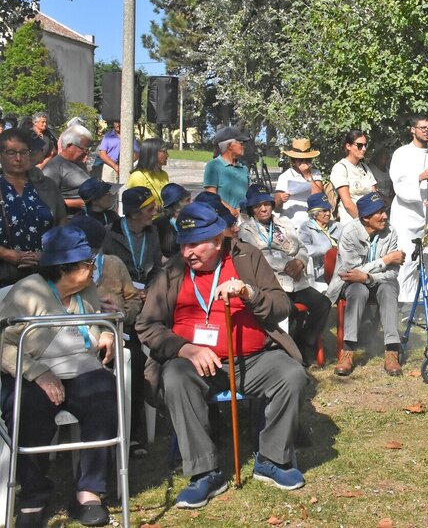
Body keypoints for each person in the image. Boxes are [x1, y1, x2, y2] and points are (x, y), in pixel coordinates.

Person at [136, 202, 309, 508]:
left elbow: (282, 306)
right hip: (193, 363)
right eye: (183, 244)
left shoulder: (247, 257)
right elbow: (147, 325)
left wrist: (249, 293)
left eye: (194, 245)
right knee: (175, 377)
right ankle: (205, 473)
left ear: (217, 241)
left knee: (291, 375)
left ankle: (271, 460)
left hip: (253, 359)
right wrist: (185, 349)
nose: (187, 252)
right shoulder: (173, 270)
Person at [0, 226, 118, 527]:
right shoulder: (27, 292)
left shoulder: (87, 289)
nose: (93, 267)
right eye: (87, 263)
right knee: (25, 408)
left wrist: (106, 332)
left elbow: (98, 321)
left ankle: (89, 491)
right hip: (34, 371)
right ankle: (32, 497)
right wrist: (37, 372)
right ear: (64, 267)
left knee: (106, 395)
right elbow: (4, 345)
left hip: (82, 370)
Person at [70, 214, 149, 457]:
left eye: (94, 252)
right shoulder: (65, 269)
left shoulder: (114, 264)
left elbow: (133, 298)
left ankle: (132, 432)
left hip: (117, 332)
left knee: (135, 360)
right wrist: (94, 309)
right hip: (80, 337)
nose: (91, 258)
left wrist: (122, 312)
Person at [237, 186, 330, 367]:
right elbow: (259, 256)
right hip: (273, 282)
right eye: (258, 206)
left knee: (323, 304)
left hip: (296, 280)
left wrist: (300, 262)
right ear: (251, 209)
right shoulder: (246, 230)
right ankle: (290, 353)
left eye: (266, 204)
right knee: (289, 310)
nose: (263, 209)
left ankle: (305, 343)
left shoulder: (284, 223)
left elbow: (301, 247)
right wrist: (287, 265)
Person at [330, 193, 405, 377]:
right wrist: (385, 260)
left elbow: (393, 273)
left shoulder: (390, 232)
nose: (385, 216)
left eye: (384, 211)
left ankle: (392, 351)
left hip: (379, 282)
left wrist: (368, 277)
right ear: (366, 218)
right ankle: (348, 351)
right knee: (358, 291)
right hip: (349, 284)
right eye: (379, 213)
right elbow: (351, 273)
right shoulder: (349, 233)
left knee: (388, 289)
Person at [388, 114, 428, 304]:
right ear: (412, 130)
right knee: (407, 258)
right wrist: (420, 177)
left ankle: (423, 299)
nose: (427, 132)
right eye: (423, 128)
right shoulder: (401, 153)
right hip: (407, 214)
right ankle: (403, 301)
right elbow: (398, 182)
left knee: (426, 257)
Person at [0, 128, 65, 285]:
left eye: (23, 152)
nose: (18, 158)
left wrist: (46, 255)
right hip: (4, 277)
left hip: (44, 275)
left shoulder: (47, 186)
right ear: (1, 155)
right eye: (11, 153)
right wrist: (6, 254)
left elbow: (62, 227)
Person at [104, 186, 162, 287]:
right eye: (150, 209)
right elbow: (103, 271)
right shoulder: (109, 233)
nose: (154, 213)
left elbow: (157, 267)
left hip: (147, 289)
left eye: (154, 207)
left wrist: (149, 289)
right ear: (134, 214)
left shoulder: (153, 231)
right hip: (118, 289)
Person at [42, 125, 93, 216]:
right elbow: (46, 200)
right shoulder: (53, 168)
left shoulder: (79, 163)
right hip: (70, 219)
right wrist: (78, 203)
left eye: (89, 149)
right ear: (69, 146)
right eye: (85, 149)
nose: (87, 153)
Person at [329, 130, 377, 225]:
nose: (363, 149)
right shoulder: (340, 168)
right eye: (359, 145)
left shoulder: (365, 167)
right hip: (352, 222)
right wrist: (364, 222)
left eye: (365, 145)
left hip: (371, 220)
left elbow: (374, 195)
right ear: (348, 146)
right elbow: (347, 204)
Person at [297, 193, 343, 291]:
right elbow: (304, 248)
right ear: (314, 214)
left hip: (342, 267)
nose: (328, 213)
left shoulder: (337, 226)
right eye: (324, 211)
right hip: (322, 272)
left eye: (329, 210)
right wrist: (327, 249)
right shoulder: (306, 228)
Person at [202, 126, 251, 218]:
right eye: (241, 143)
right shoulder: (213, 166)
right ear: (229, 146)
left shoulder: (243, 167)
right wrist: (230, 210)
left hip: (243, 217)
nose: (243, 146)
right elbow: (211, 195)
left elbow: (248, 192)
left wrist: (241, 209)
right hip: (222, 218)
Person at [275, 138, 324, 225]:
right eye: (300, 160)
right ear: (293, 160)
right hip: (291, 222)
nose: (304, 162)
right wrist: (281, 199)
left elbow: (319, 196)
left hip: (312, 221)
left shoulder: (315, 173)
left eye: (307, 160)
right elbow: (276, 206)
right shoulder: (285, 177)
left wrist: (308, 175)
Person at [125, 138, 170, 207]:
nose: (167, 155)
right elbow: (136, 206)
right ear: (153, 153)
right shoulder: (138, 176)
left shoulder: (164, 174)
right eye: (165, 151)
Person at [155, 183, 192, 258]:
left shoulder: (194, 219)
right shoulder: (159, 225)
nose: (192, 202)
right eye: (188, 200)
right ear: (176, 205)